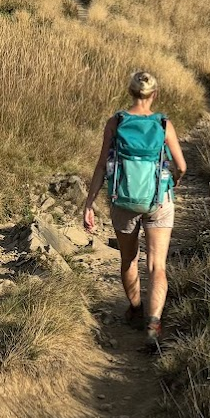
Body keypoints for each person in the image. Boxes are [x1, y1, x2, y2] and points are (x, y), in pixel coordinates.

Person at [82, 70, 187, 351]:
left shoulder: (115, 122)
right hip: (159, 200)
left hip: (123, 200)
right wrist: (172, 181)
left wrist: (89, 203)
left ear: (130, 92)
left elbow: (102, 165)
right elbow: (183, 166)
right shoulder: (164, 124)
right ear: (155, 94)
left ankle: (136, 308)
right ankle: (153, 325)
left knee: (129, 260)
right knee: (157, 266)